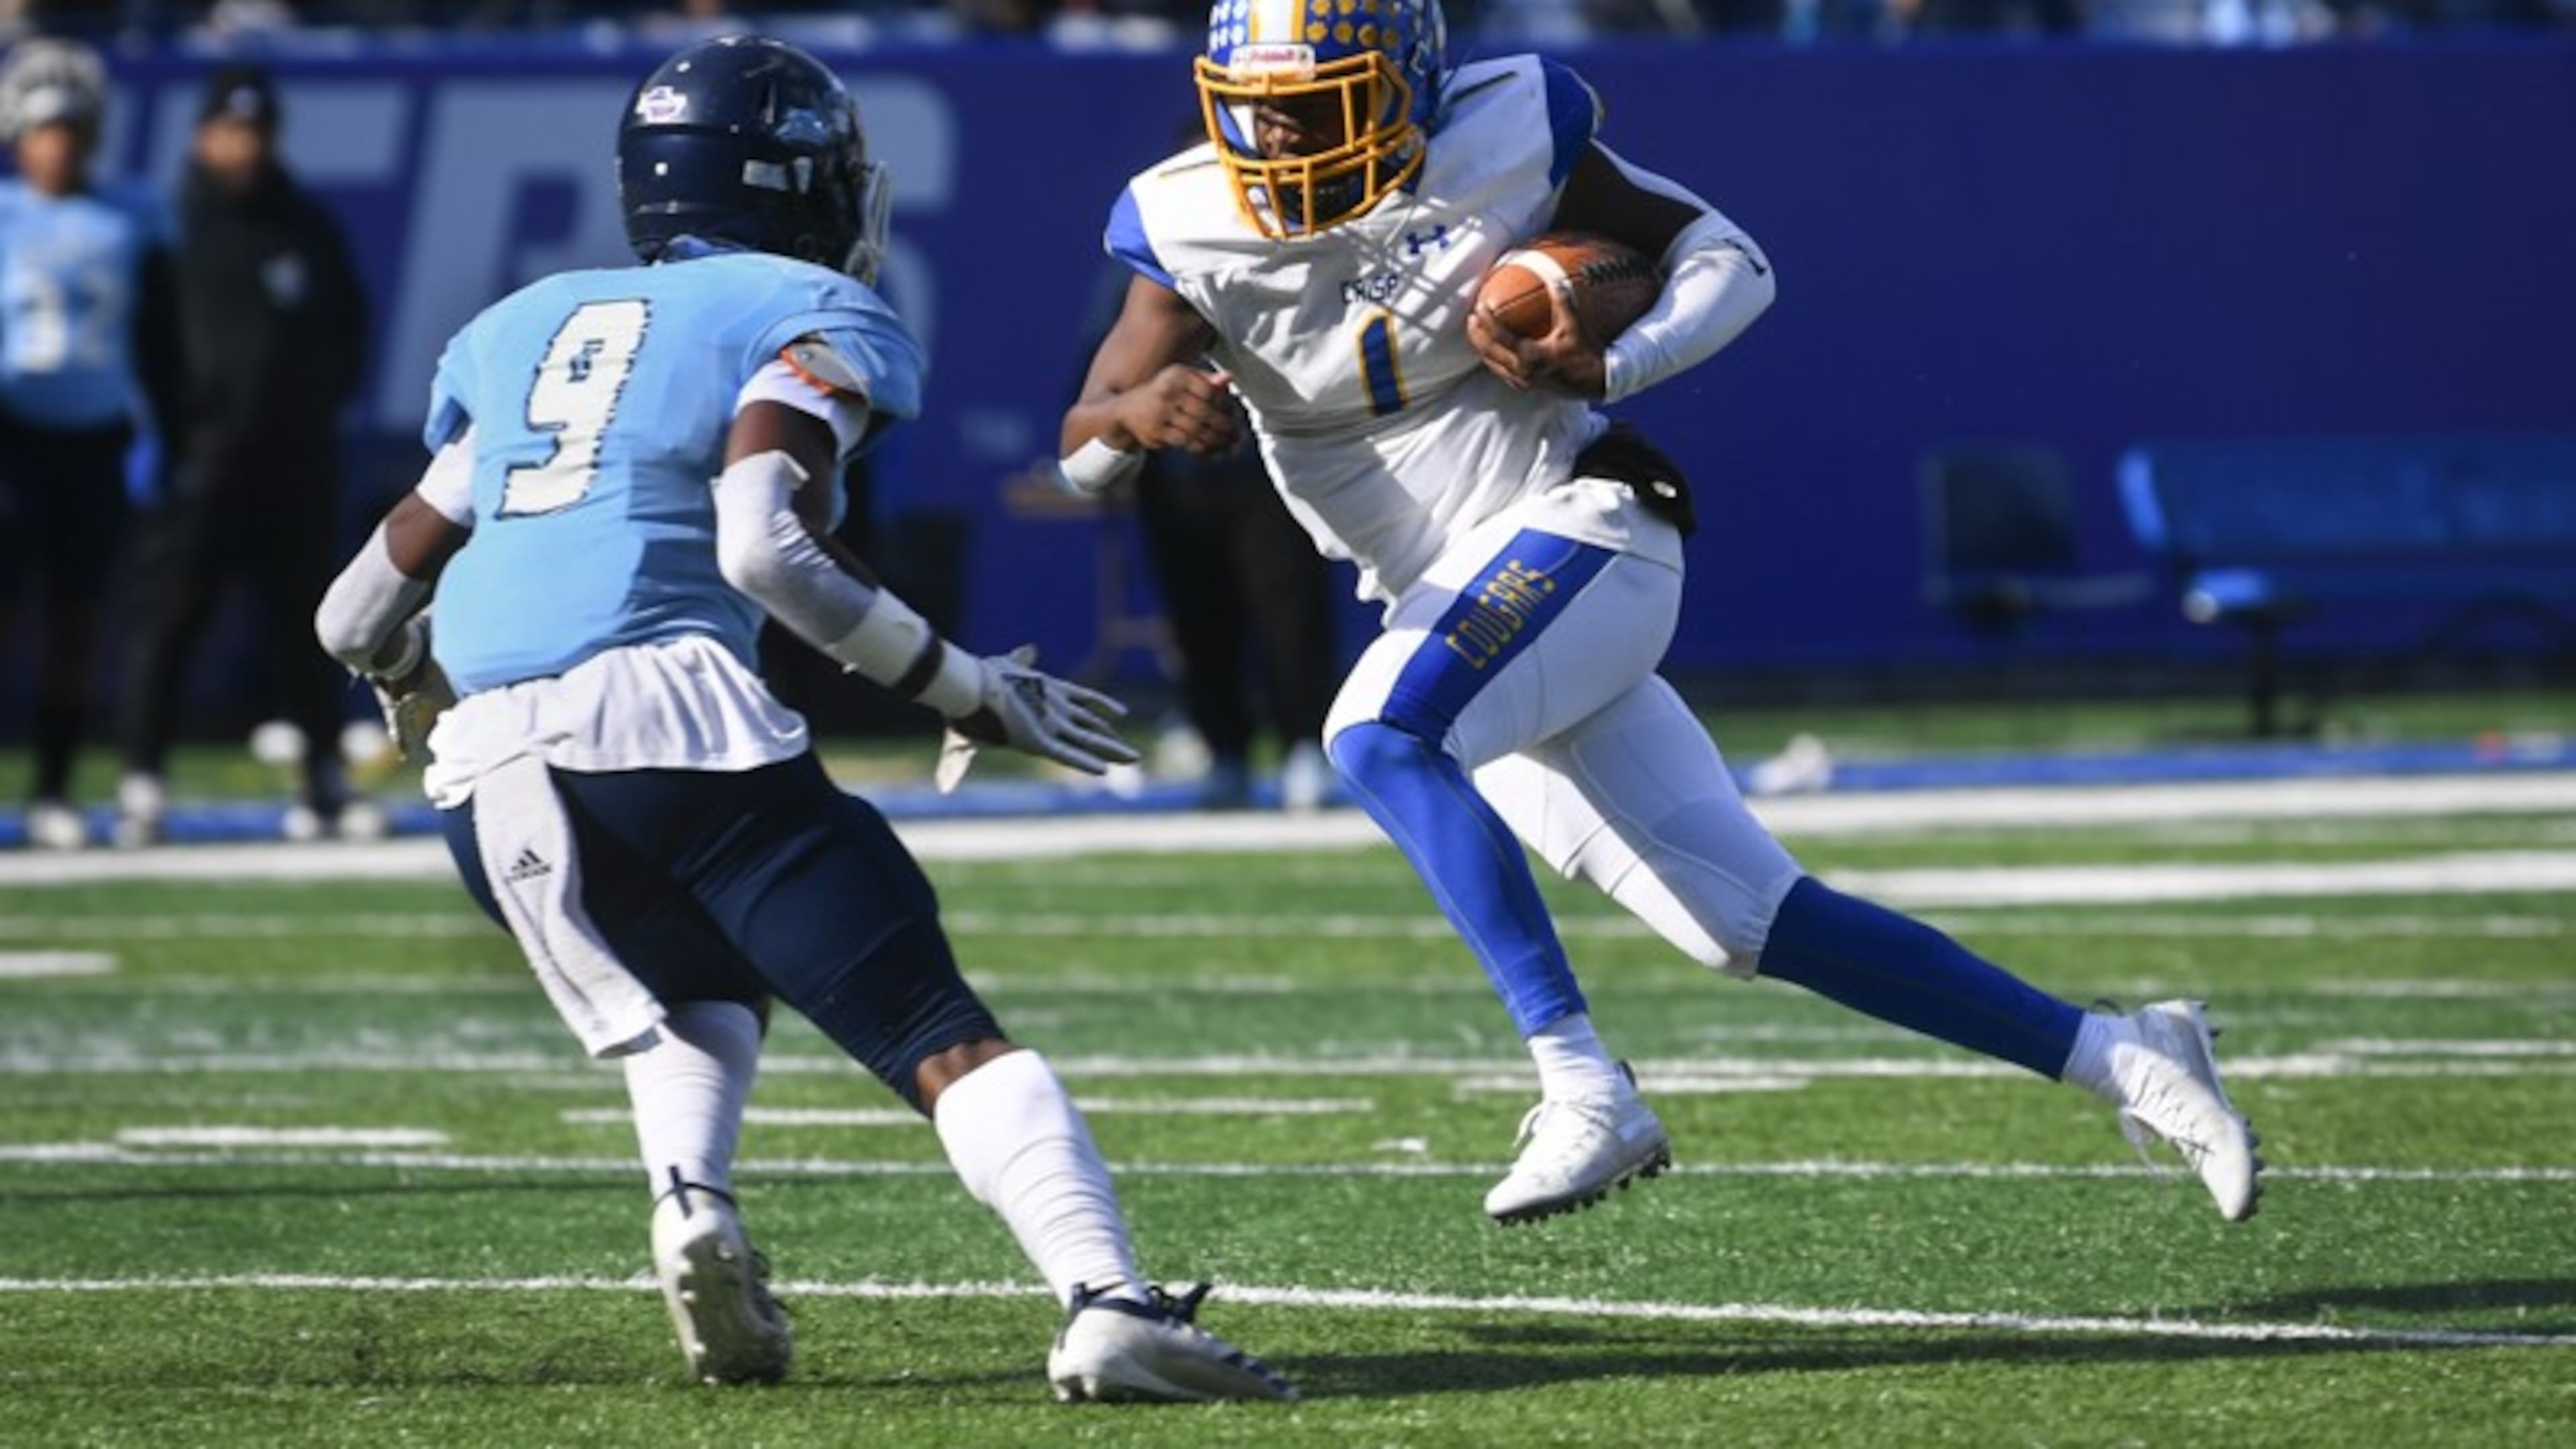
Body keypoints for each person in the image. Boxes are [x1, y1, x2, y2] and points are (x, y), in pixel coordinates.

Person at [1059, 0, 2263, 1228]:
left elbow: (1729, 258)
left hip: (1586, 530)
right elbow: (1084, 442)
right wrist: (1136, 418)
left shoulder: (1511, 127)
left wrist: (1616, 364)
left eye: (1320, 100)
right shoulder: (1188, 216)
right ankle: (2126, 1053)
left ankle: (1583, 1087)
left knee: (1376, 736)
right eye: (1257, 106)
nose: (1283, 136)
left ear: (1411, 79)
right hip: (1455, 606)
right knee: (1745, 921)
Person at [314, 36, 1293, 1403]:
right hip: (667, 719)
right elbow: (762, 545)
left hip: (492, 777)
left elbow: (353, 618)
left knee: (700, 989)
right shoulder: (801, 306)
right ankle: (1107, 1299)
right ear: (786, 180)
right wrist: (967, 688)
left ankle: (690, 1203)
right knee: (936, 1029)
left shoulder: (521, 329)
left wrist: (439, 704)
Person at [114, 62, 374, 847]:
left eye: (255, 132)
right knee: (171, 619)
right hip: (206, 457)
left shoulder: (304, 221)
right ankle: (143, 782)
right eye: (230, 130)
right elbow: (145, 341)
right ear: (202, 135)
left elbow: (349, 325)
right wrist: (176, 431)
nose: (243, 146)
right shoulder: (171, 226)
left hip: (295, 458)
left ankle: (320, 781)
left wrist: (316, 406)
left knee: (307, 624)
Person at [0, 37, 183, 850]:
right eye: (47, 128)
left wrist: (166, 434)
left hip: (97, 437)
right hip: (9, 434)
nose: (60, 144)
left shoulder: (135, 213)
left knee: (77, 621)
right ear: (18, 132)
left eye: (73, 128)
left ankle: (52, 790)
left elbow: (164, 339)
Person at [1130, 409, 1339, 810]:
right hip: (1179, 479)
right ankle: (1225, 752)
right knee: (1200, 623)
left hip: (1270, 469)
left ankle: (1305, 745)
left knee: (1291, 616)